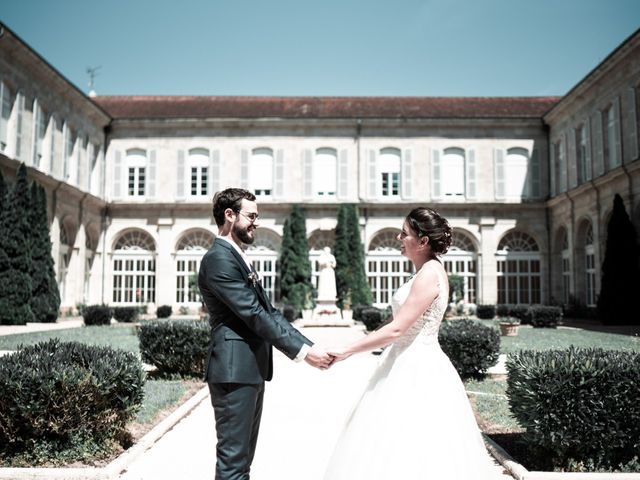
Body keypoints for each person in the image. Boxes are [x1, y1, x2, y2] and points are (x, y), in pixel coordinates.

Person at [323, 207, 497, 480]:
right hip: (406, 360)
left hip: (416, 368)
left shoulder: (429, 273)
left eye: (404, 234)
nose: (398, 237)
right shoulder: (426, 271)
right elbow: (399, 324)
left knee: (411, 444)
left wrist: (347, 351)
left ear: (423, 241)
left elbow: (398, 329)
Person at [198, 188, 333, 480]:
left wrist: (308, 345)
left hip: (248, 369)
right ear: (229, 215)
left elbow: (269, 312)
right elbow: (253, 314)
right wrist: (304, 353)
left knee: (242, 463)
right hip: (233, 371)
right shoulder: (219, 259)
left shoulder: (237, 255)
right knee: (233, 465)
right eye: (251, 216)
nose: (256, 223)